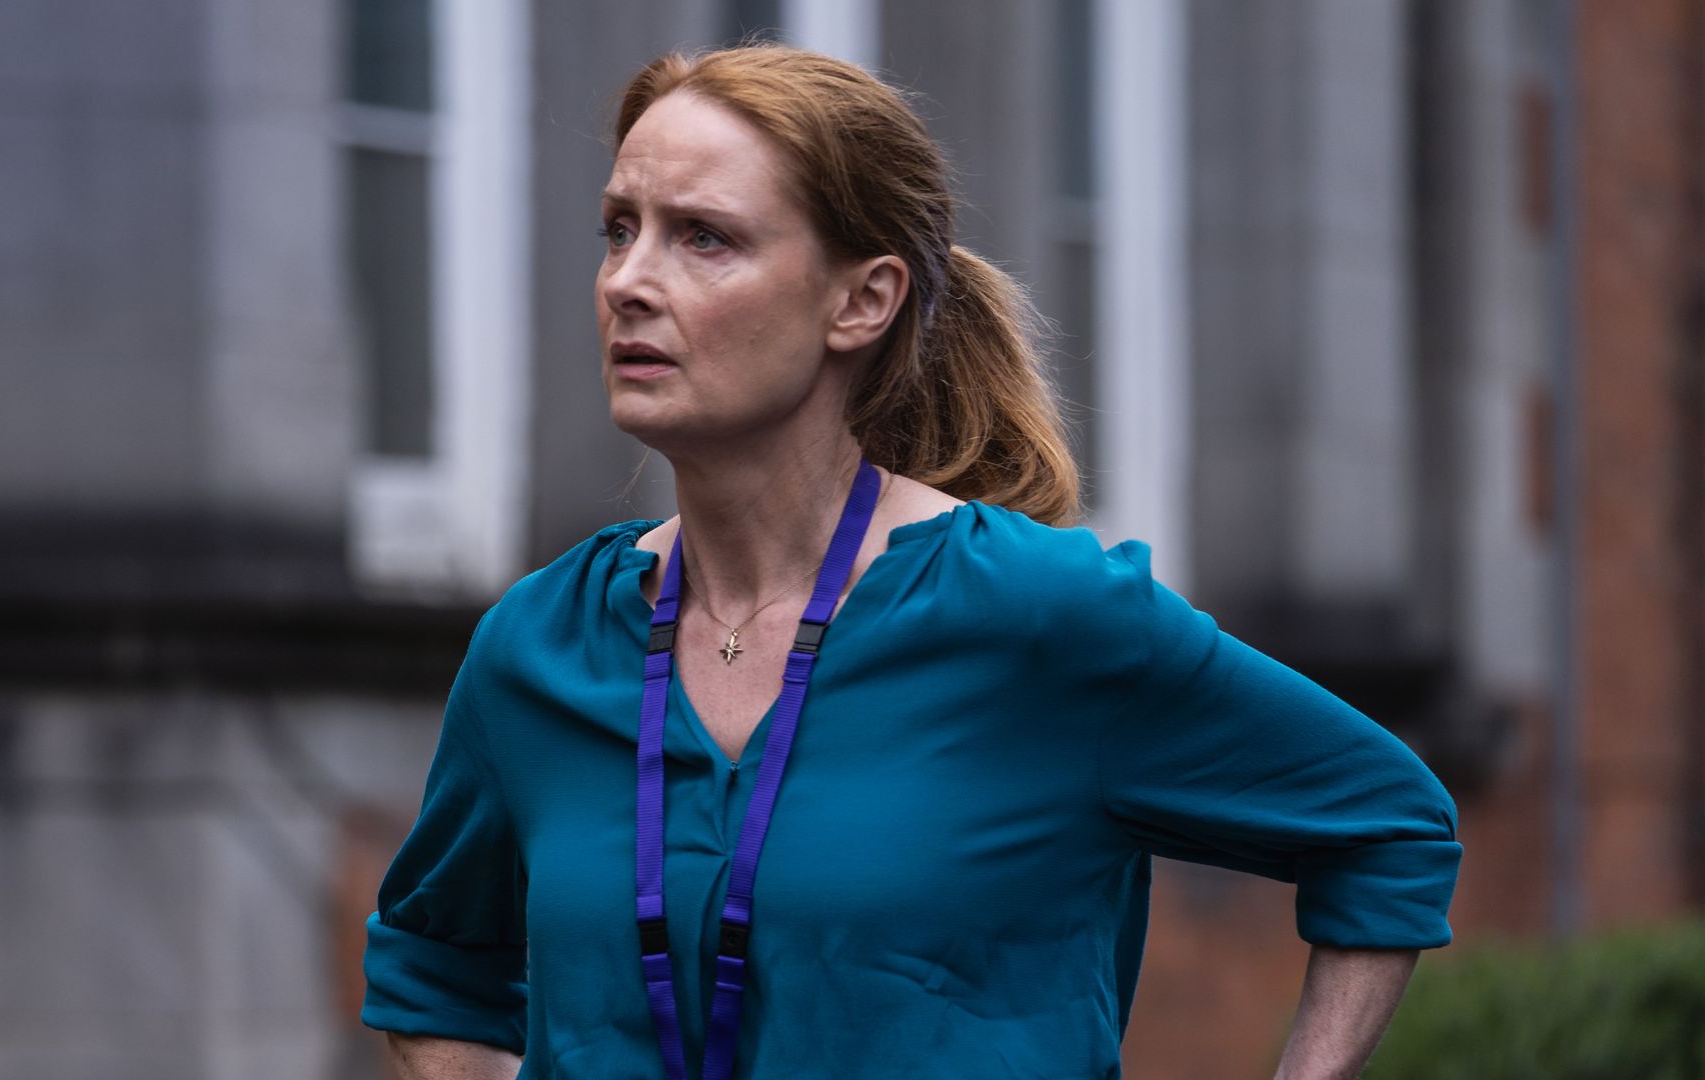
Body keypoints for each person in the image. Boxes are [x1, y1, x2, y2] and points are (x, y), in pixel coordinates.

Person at [361, 43, 1461, 1080]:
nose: (628, 283)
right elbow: (435, 967)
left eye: (704, 237)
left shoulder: (1040, 615)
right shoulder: (540, 649)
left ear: (863, 300)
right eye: (618, 229)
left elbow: (1388, 828)